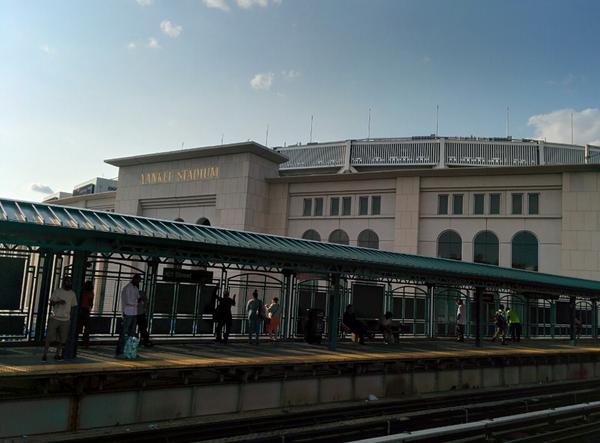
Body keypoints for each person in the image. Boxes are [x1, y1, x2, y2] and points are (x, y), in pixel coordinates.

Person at [42, 276, 78, 361]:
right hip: (55, 317)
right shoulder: (57, 291)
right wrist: (58, 302)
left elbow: (73, 306)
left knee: (62, 338)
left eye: (70, 282)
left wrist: (70, 317)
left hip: (65, 319)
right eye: (67, 281)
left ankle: (57, 354)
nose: (69, 283)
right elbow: (51, 303)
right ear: (64, 282)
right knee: (49, 337)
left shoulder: (72, 294)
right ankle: (45, 354)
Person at [116, 274, 141, 356]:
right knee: (124, 332)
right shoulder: (127, 288)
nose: (139, 282)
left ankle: (129, 350)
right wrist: (137, 302)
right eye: (138, 280)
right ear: (134, 279)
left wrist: (138, 301)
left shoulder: (136, 288)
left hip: (134, 312)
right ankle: (120, 350)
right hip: (128, 312)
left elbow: (138, 297)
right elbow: (128, 301)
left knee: (132, 332)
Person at [77, 280, 94, 348]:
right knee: (87, 328)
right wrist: (90, 308)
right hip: (86, 310)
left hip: (80, 309)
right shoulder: (91, 293)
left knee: (78, 326)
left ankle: (75, 341)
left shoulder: (82, 292)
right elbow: (91, 303)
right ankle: (85, 343)